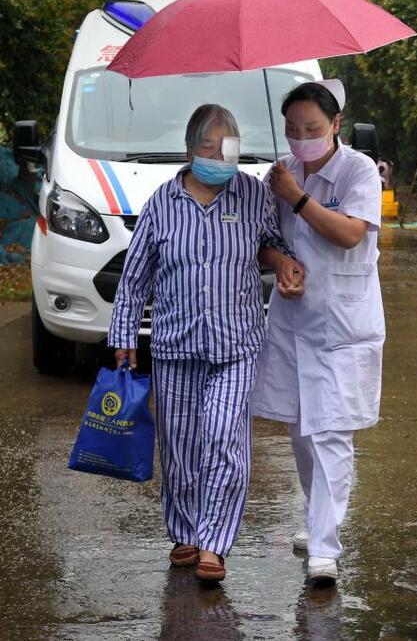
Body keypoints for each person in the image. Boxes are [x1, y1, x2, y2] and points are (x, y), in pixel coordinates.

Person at [108, 104, 304, 583]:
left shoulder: (254, 196)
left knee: (223, 438)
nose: (219, 155)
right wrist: (123, 337)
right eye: (209, 146)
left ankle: (215, 543)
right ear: (190, 150)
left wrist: (283, 263)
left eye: (228, 146)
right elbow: (135, 278)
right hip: (176, 345)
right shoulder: (161, 203)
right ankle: (186, 532)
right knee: (179, 446)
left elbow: (276, 244)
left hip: (236, 344)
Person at [250, 79, 384, 585]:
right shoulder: (280, 174)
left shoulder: (358, 170)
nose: (301, 136)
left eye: (311, 128)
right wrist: (281, 262)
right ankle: (317, 518)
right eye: (292, 128)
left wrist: (298, 197)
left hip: (344, 321)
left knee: (331, 432)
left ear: (335, 127)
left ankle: (325, 546)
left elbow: (351, 233)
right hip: (292, 318)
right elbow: (264, 239)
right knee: (301, 431)